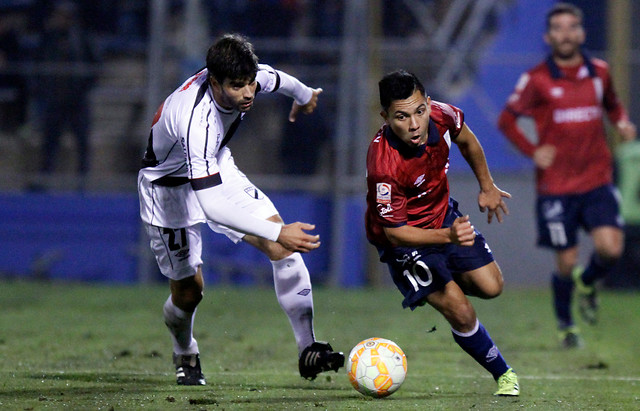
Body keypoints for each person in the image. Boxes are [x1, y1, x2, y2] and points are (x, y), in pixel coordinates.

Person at [138, 33, 344, 386]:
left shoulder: (248, 77)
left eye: (250, 84)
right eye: (237, 87)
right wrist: (278, 230)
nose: (248, 93)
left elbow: (278, 79)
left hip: (216, 167)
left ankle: (308, 348)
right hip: (168, 191)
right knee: (189, 292)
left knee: (283, 249)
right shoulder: (196, 119)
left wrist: (305, 95)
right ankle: (185, 348)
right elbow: (213, 206)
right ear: (214, 81)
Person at [365, 70, 519, 396]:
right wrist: (449, 237)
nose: (414, 124)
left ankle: (444, 283)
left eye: (419, 111)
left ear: (428, 103)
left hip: (443, 218)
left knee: (492, 286)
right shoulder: (384, 165)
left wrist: (487, 185)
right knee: (461, 311)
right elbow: (395, 232)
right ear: (385, 117)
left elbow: (468, 141)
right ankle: (503, 373)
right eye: (401, 117)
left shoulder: (443, 115)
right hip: (405, 244)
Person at [497, 3, 637, 348]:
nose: (565, 33)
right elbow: (506, 120)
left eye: (571, 27)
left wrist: (621, 122)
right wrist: (533, 151)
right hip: (556, 187)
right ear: (548, 36)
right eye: (557, 28)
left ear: (581, 33)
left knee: (611, 249)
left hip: (597, 179)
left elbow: (614, 105)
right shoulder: (537, 78)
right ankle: (566, 325)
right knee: (566, 261)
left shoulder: (600, 71)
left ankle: (588, 284)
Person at [36, 1, 96, 178]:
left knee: (82, 141)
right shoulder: (48, 38)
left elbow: (93, 65)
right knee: (50, 141)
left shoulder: (82, 38)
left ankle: (83, 180)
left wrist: (83, 87)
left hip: (77, 98)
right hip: (55, 97)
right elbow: (39, 63)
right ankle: (46, 177)